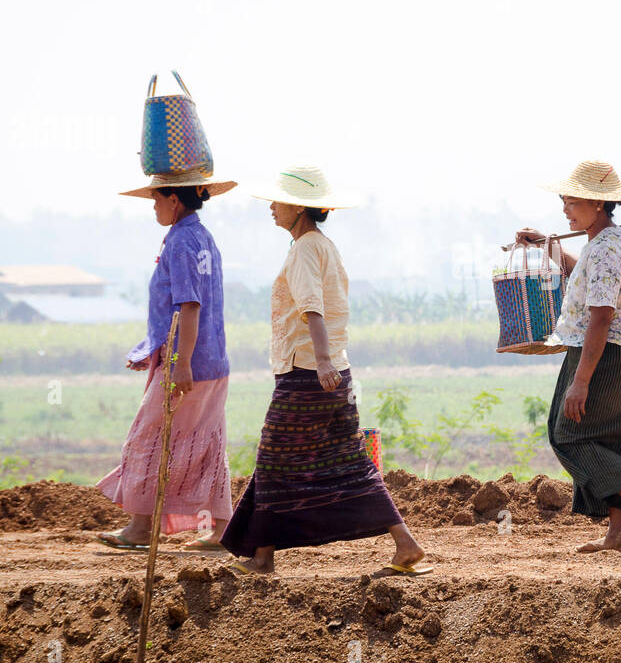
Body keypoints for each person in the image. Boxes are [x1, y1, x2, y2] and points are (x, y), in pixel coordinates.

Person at [220, 166, 429, 576]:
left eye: (277, 201)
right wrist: (330, 363)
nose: (272, 208)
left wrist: (322, 362)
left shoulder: (304, 249)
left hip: (309, 375)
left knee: (273, 459)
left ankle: (262, 558)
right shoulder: (323, 245)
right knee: (349, 459)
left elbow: (312, 308)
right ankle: (405, 544)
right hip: (335, 375)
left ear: (299, 207)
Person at [516, 160, 621, 554]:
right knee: (607, 441)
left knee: (568, 434)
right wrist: (550, 249)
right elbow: (586, 276)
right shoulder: (616, 241)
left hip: (607, 357)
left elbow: (600, 318)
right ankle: (618, 535)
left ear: (598, 203)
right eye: (564, 200)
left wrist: (580, 382)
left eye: (573, 200)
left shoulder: (603, 251)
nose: (565, 208)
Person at [96, 168, 236, 551]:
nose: (154, 205)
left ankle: (142, 527)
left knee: (149, 438)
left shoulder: (178, 242)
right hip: (214, 361)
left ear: (174, 199)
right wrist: (154, 351)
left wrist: (180, 362)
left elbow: (188, 306)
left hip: (189, 364)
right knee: (205, 440)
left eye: (157, 198)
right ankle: (222, 529)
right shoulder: (202, 237)